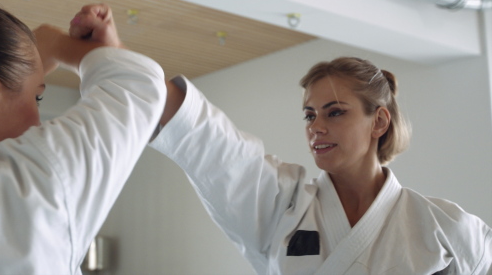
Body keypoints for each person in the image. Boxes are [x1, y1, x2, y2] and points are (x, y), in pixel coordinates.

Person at [0, 0, 168, 274]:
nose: (36, 122)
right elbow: (138, 82)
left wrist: (26, 71)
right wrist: (59, 46)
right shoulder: (27, 179)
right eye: (37, 97)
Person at [147, 57, 492, 274]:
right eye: (310, 115)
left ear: (379, 122)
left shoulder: (446, 228)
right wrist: (119, 64)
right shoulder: (283, 204)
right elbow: (216, 146)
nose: (316, 127)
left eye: (335, 112)